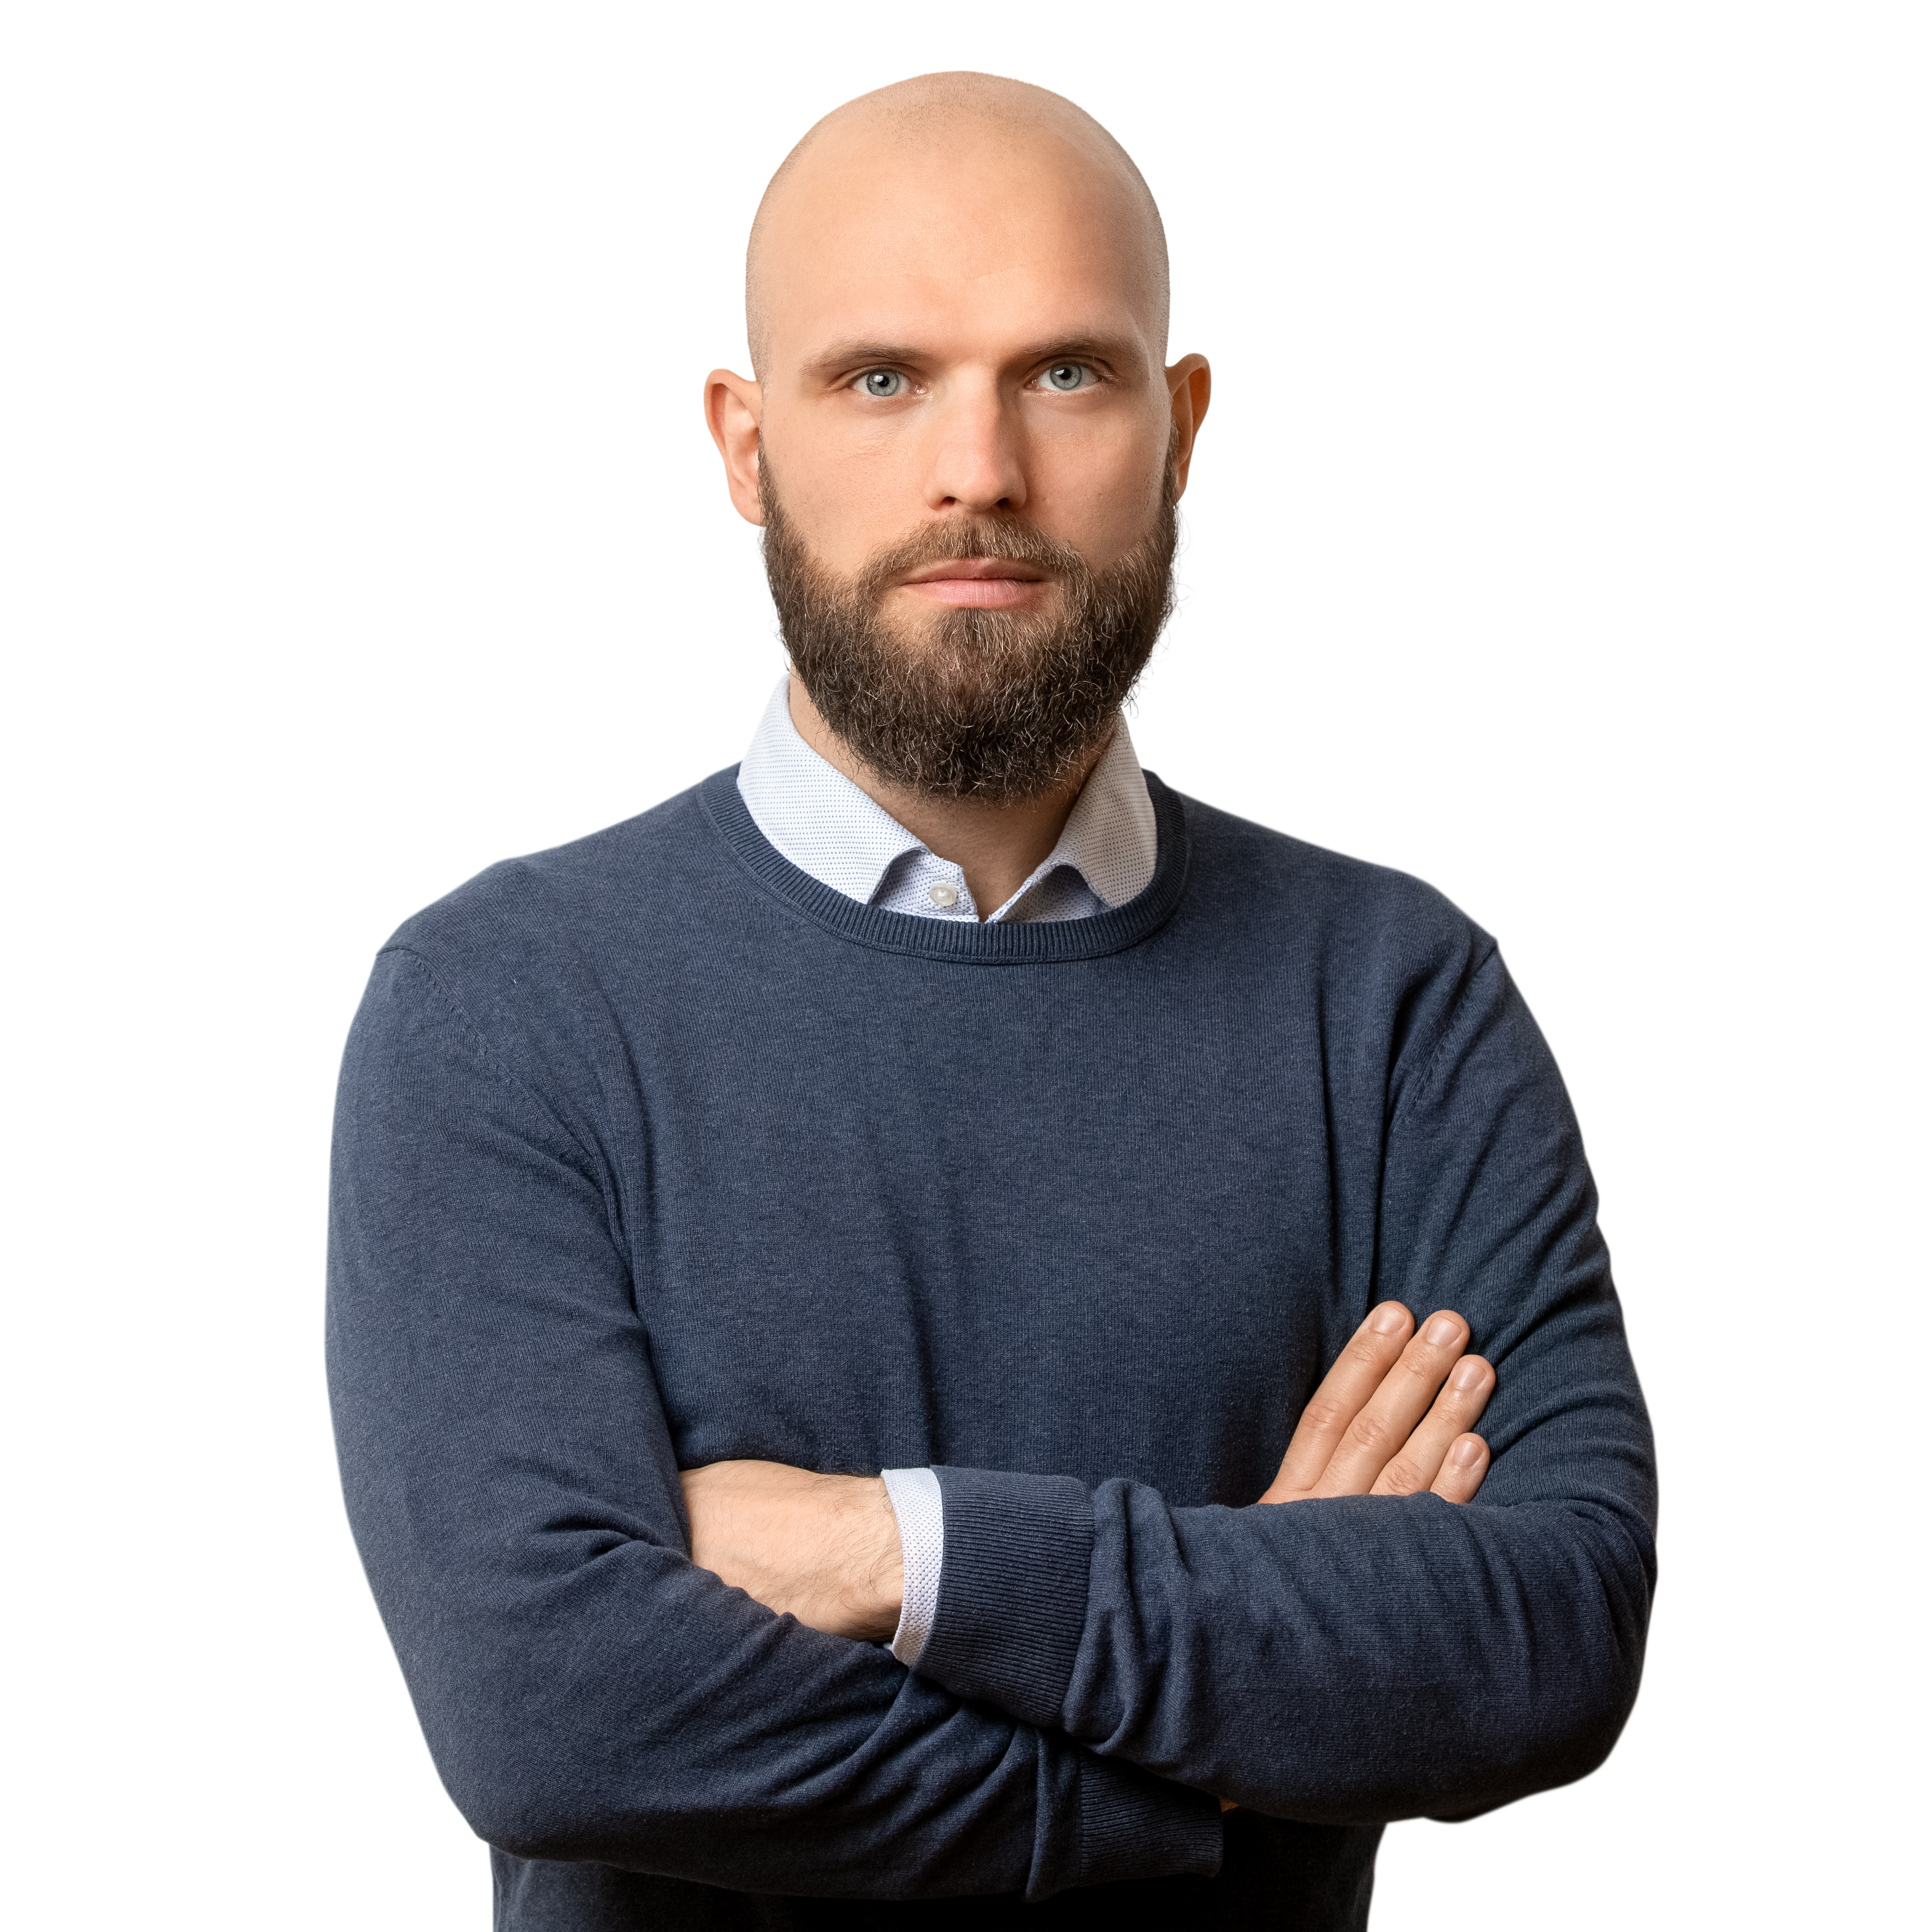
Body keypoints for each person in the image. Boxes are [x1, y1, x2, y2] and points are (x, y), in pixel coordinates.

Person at [327, 71, 1655, 1931]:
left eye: (1067, 373)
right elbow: (553, 1717)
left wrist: (895, 1549)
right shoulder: (505, 1008)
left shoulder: (1390, 1003)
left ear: (1179, 429)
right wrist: (1228, 1736)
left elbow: (1549, 1634)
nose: (979, 470)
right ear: (746, 447)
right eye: (881, 377)